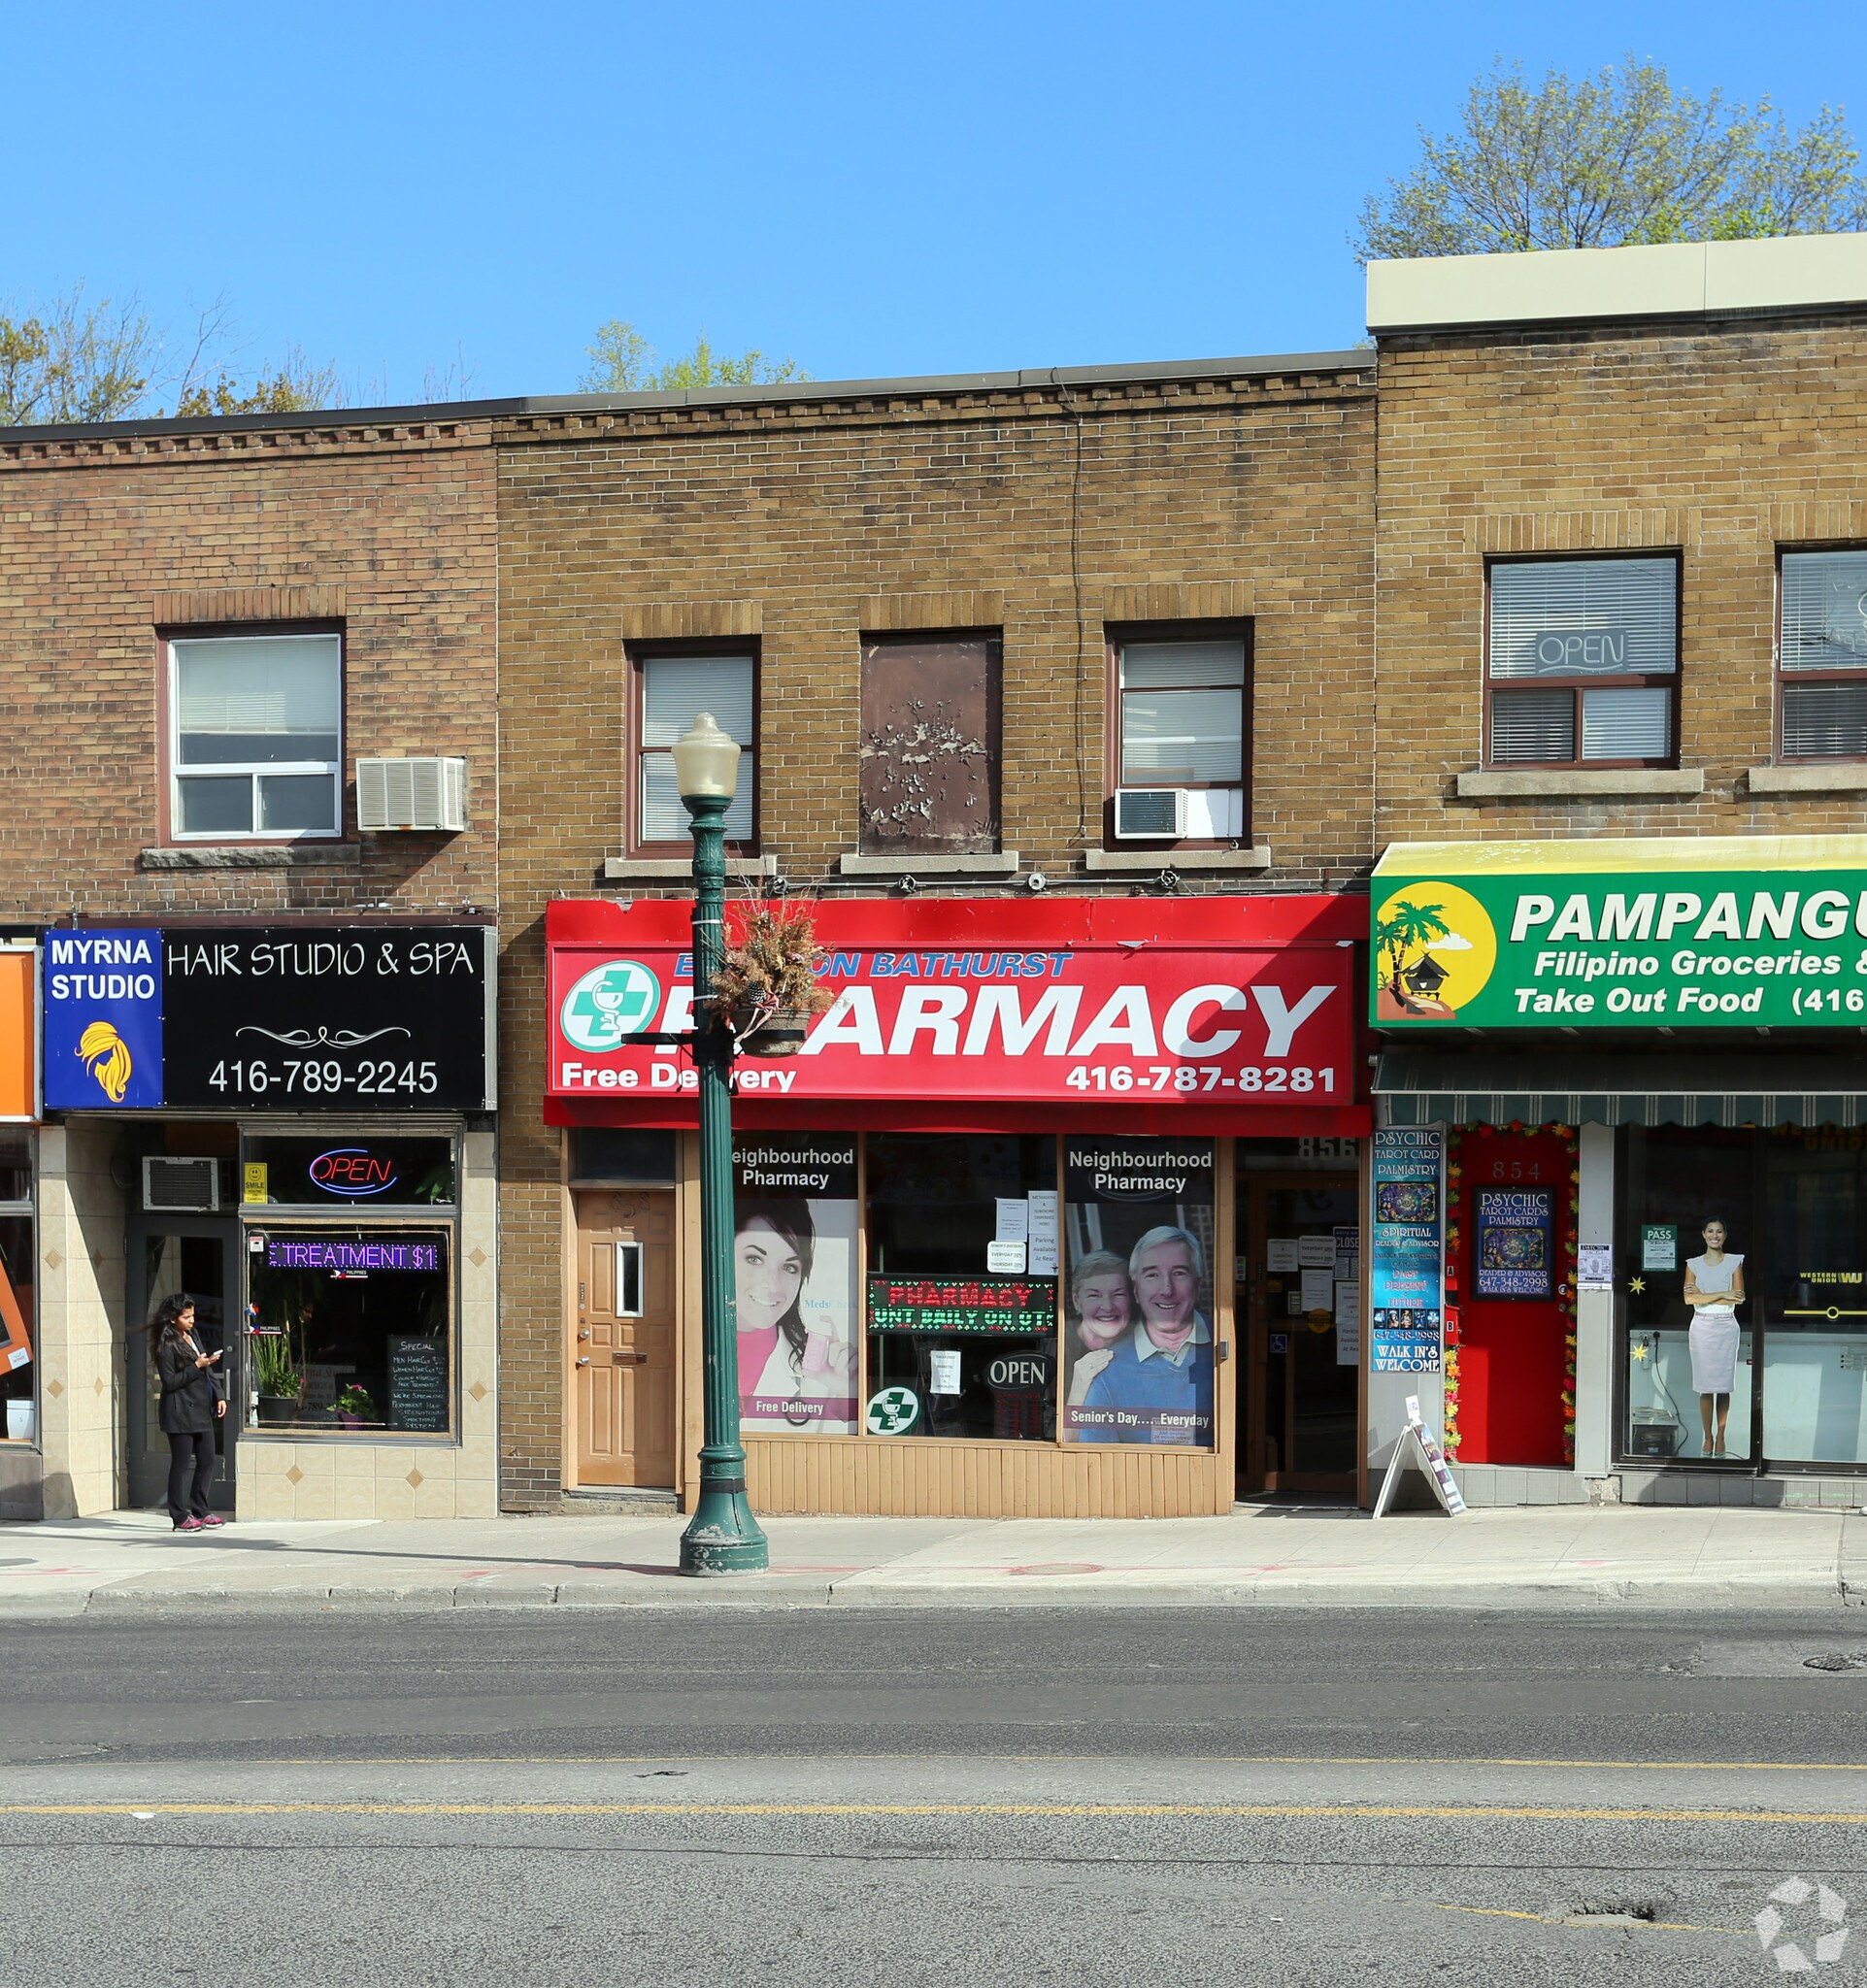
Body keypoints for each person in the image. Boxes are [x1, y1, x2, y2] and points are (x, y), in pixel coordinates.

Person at [1079, 1226, 1214, 1444]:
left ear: (1198, 1284)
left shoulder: (1227, 1345)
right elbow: (1096, 1461)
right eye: (1152, 1275)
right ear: (1135, 1291)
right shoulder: (1108, 1369)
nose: (1167, 1290)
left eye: (1179, 1273)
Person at [734, 1201, 852, 1421]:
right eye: (754, 1259)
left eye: (789, 1267)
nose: (772, 1285)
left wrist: (846, 1394)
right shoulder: (690, 1344)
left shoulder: (821, 1367)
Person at [150, 1294, 226, 1532]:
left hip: (202, 1407)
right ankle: (179, 1516)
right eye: (186, 1317)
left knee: (207, 1460)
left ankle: (201, 1510)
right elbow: (170, 1382)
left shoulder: (193, 1335)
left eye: (193, 1315)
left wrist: (219, 1395)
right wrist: (196, 1367)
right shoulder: (166, 1344)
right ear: (173, 1319)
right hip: (180, 1410)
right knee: (181, 1465)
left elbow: (206, 1369)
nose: (192, 1321)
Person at [1684, 1217, 1746, 1458]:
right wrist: (1723, 1293)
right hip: (1702, 1326)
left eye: (1719, 1231)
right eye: (1710, 1231)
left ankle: (1721, 1435)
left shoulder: (1734, 1262)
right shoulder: (1693, 1264)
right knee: (1705, 1386)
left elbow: (1738, 1298)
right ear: (1703, 1234)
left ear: (1725, 1235)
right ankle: (1707, 1437)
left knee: (1723, 1385)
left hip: (1726, 1326)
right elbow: (1689, 1299)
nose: (1715, 1235)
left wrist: (1705, 1294)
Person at [1065, 1250, 1133, 1408]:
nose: (1108, 1307)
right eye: (1094, 1295)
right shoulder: (1057, 1347)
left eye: (1119, 1294)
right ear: (1077, 1302)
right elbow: (1047, 1429)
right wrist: (1078, 1391)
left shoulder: (1145, 1343)